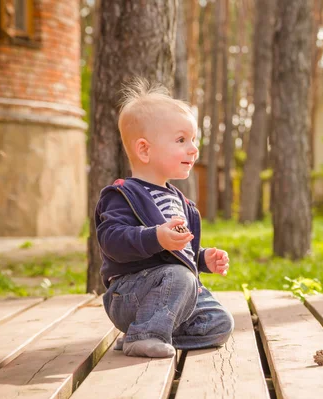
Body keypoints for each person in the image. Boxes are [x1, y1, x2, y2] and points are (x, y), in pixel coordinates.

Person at [95, 78, 234, 358]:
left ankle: (143, 333)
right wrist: (156, 236)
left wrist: (202, 258)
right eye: (181, 140)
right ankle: (144, 333)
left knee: (220, 323)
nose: (193, 149)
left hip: (171, 292)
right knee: (180, 276)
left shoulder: (180, 202)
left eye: (193, 140)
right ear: (144, 149)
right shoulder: (124, 194)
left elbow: (176, 253)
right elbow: (111, 241)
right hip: (129, 294)